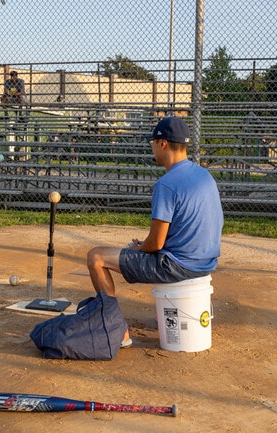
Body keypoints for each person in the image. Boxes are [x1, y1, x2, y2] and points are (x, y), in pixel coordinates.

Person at [86, 117, 223, 347]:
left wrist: (139, 248)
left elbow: (156, 244)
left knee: (96, 257)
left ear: (163, 144)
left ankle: (117, 331)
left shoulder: (166, 184)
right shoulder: (204, 176)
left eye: (153, 142)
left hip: (177, 266)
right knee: (143, 249)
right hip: (206, 262)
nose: (151, 147)